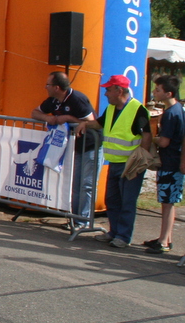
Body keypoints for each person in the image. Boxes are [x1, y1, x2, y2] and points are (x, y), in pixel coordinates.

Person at [75, 75, 151, 248]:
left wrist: (141, 160)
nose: (106, 93)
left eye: (108, 90)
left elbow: (146, 135)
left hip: (130, 164)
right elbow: (99, 124)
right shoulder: (110, 109)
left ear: (119, 90)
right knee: (113, 199)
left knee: (127, 201)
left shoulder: (138, 109)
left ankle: (123, 237)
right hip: (115, 162)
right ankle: (114, 232)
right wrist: (85, 124)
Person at [31, 71, 99, 230]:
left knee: (87, 185)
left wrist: (68, 118)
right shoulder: (53, 100)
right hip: (74, 146)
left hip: (90, 145)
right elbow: (34, 112)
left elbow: (92, 123)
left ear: (56, 87)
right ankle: (75, 220)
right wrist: (48, 118)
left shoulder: (77, 99)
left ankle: (83, 221)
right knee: (75, 184)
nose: (45, 87)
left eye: (47, 85)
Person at [143, 75, 184, 254]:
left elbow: (165, 141)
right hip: (173, 162)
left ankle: (164, 241)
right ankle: (165, 237)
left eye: (157, 90)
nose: (154, 92)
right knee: (169, 201)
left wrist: (153, 139)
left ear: (169, 93)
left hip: (170, 162)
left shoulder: (170, 113)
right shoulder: (178, 109)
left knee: (167, 202)